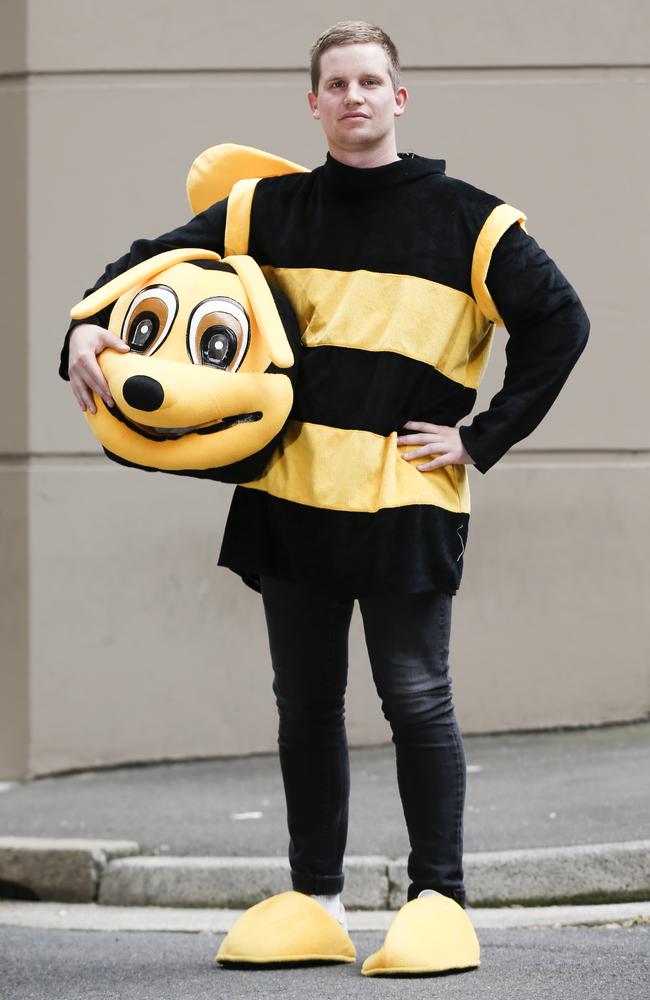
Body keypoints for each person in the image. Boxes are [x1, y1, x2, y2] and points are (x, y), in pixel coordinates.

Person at [61, 20, 589, 972]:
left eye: (370, 82)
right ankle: (317, 899)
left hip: (405, 504)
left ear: (399, 97)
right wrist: (84, 330)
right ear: (313, 102)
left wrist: (481, 437)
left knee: (416, 700)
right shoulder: (262, 208)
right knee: (304, 706)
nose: (354, 97)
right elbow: (148, 262)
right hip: (290, 502)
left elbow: (561, 322)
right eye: (336, 83)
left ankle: (441, 898)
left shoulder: (472, 220)